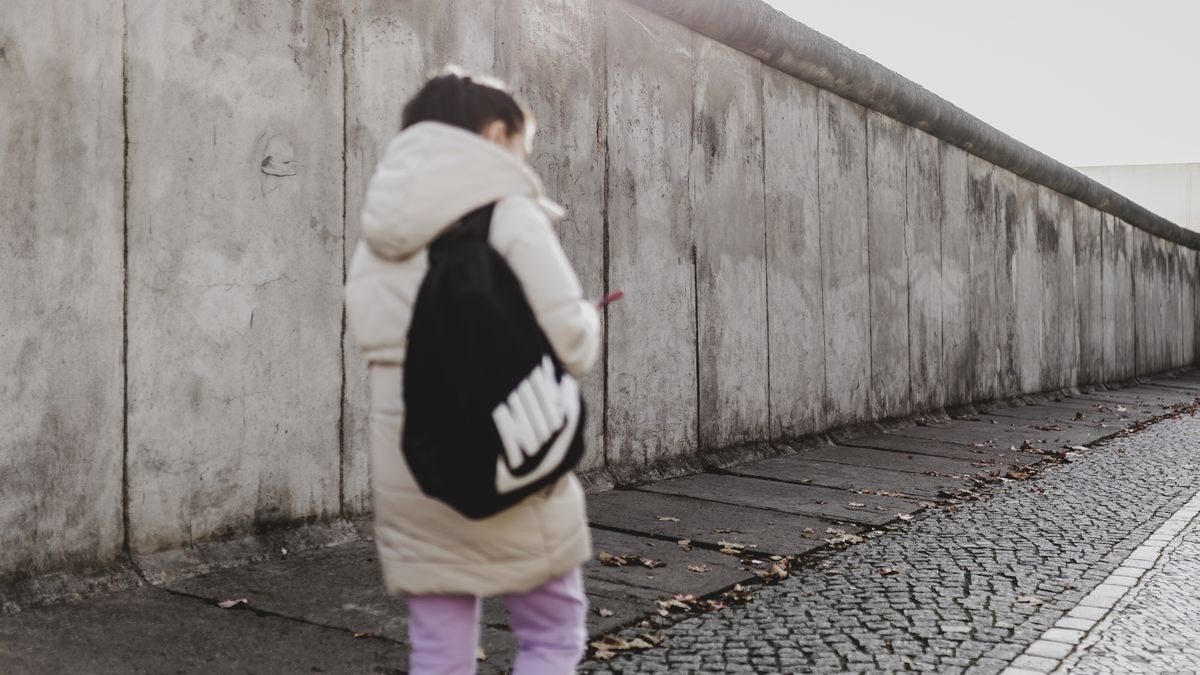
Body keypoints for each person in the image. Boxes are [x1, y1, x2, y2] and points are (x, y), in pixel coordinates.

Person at [344, 68, 601, 675]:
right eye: (522, 144)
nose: (523, 159)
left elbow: (374, 335)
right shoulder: (509, 213)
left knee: (439, 650)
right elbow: (572, 344)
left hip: (416, 462)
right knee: (552, 634)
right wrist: (587, 320)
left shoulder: (379, 233)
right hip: (510, 448)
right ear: (494, 134)